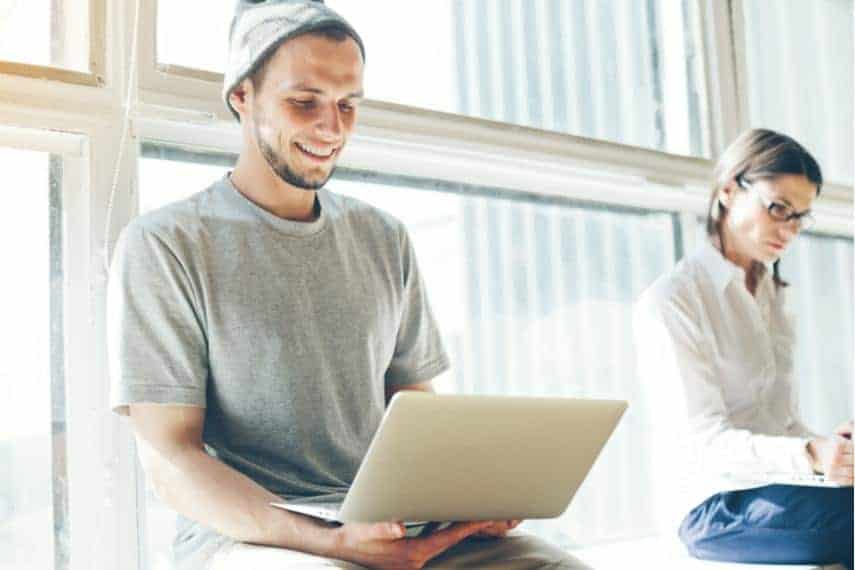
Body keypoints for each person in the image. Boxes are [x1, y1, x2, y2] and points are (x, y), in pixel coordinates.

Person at [107, 1, 588, 568]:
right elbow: (170, 461)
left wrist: (463, 504)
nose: (330, 128)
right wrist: (332, 540)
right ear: (242, 96)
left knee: (554, 565)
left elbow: (417, 420)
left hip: (382, 522)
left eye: (347, 105)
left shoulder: (384, 238)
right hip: (251, 539)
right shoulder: (166, 244)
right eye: (303, 102)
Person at [634, 128, 853, 568]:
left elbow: (782, 421)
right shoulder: (674, 300)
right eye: (779, 209)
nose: (789, 230)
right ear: (730, 190)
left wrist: (834, 449)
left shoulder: (772, 296)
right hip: (712, 508)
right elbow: (703, 444)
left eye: (800, 217)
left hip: (781, 487)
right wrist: (810, 455)